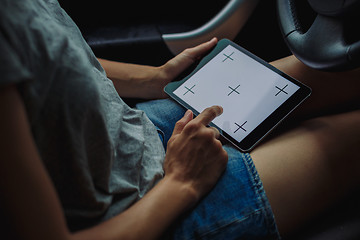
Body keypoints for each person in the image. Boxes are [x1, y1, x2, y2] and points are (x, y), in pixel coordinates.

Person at [0, 0, 359, 239]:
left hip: (129, 130)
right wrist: (182, 182)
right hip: (138, 212)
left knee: (329, 72)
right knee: (340, 137)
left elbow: (47, 53)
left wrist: (153, 80)